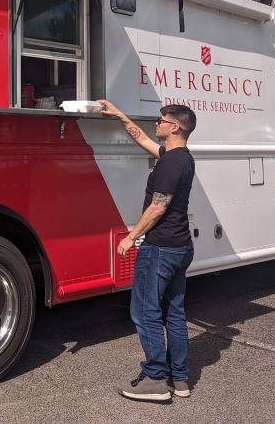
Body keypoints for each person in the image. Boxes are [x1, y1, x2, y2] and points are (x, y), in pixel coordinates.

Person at [98, 99, 197, 402]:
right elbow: (142, 139)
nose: (156, 124)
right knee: (175, 313)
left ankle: (155, 379)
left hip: (160, 249)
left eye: (161, 120)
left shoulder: (170, 164)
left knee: (145, 311)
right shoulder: (181, 157)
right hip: (180, 247)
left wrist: (131, 237)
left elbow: (158, 207)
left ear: (175, 127)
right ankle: (179, 379)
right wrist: (118, 114)